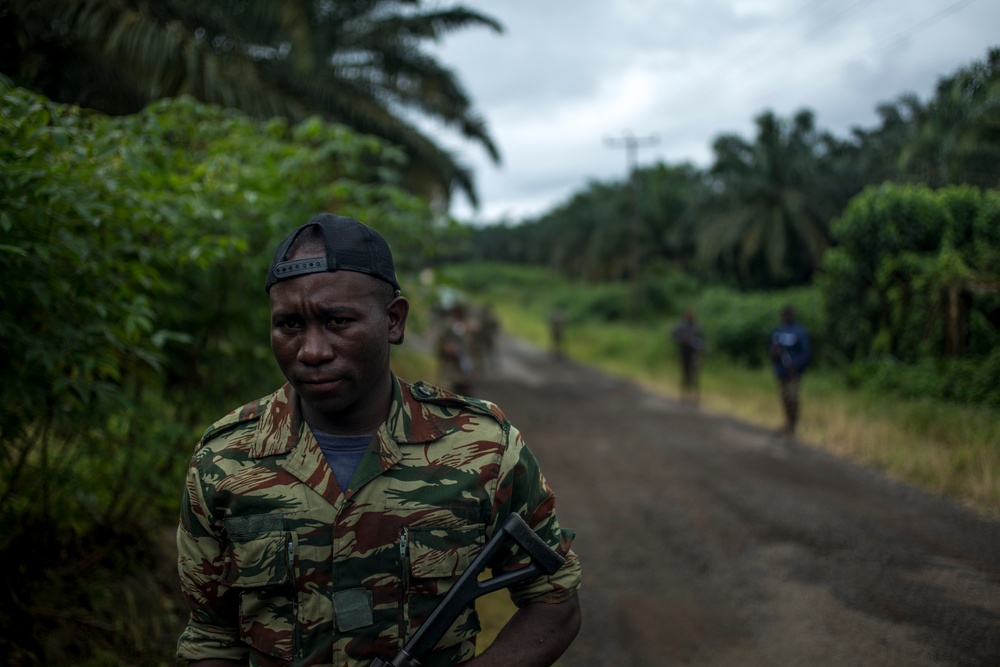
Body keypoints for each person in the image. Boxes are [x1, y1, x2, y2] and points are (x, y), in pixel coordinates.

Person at [175, 213, 582, 667]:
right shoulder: (224, 460)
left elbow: (554, 599)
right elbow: (211, 633)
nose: (311, 351)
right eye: (289, 325)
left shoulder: (484, 447)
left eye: (338, 322)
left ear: (393, 320)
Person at [768, 305, 811, 435]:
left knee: (793, 397)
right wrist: (774, 352)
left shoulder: (799, 331)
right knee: (784, 398)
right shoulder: (778, 331)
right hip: (781, 371)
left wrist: (796, 365)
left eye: (788, 314)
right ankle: (788, 423)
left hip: (793, 372)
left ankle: (793, 424)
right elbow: (771, 347)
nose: (786, 317)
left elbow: (806, 352)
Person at [670, 308, 704, 404]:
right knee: (684, 375)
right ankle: (683, 395)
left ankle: (695, 396)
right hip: (684, 353)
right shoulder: (681, 326)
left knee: (694, 376)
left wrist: (700, 353)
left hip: (693, 353)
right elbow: (672, 335)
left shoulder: (696, 327)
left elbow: (701, 341)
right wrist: (682, 339)